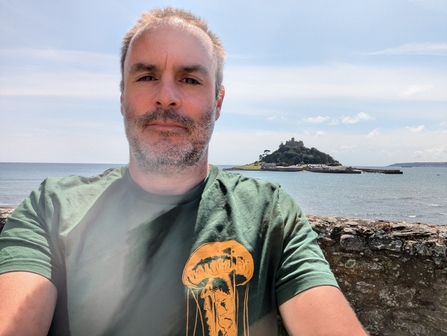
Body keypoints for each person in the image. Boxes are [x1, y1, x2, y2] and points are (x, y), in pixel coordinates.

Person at [0, 7, 367, 336]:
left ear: (218, 102)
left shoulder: (269, 215)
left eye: (190, 80)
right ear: (122, 95)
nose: (166, 96)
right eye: (146, 77)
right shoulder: (51, 209)